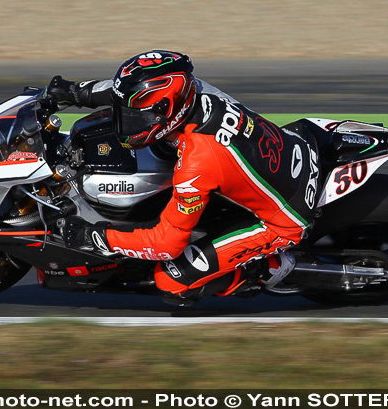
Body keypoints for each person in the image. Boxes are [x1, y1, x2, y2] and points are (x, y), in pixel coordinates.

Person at [44, 50, 319, 305]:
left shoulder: (198, 161)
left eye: (135, 118)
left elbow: (166, 244)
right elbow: (126, 92)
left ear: (169, 111)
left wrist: (96, 236)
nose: (126, 124)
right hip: (298, 144)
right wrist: (76, 92)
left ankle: (265, 268)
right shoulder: (195, 90)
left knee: (172, 282)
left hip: (284, 217)